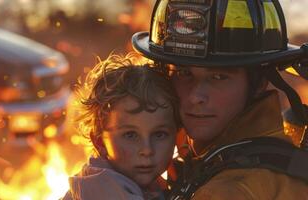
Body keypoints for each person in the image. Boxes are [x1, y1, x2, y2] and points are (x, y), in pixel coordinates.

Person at [132, 0, 308, 199]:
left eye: (218, 77)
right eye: (183, 73)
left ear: (259, 82)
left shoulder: (225, 191)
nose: (195, 96)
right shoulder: (277, 154)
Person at [62, 54, 181, 200]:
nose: (147, 150)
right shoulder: (104, 189)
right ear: (100, 141)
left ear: (178, 135)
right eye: (130, 135)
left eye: (159, 134)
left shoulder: (135, 183)